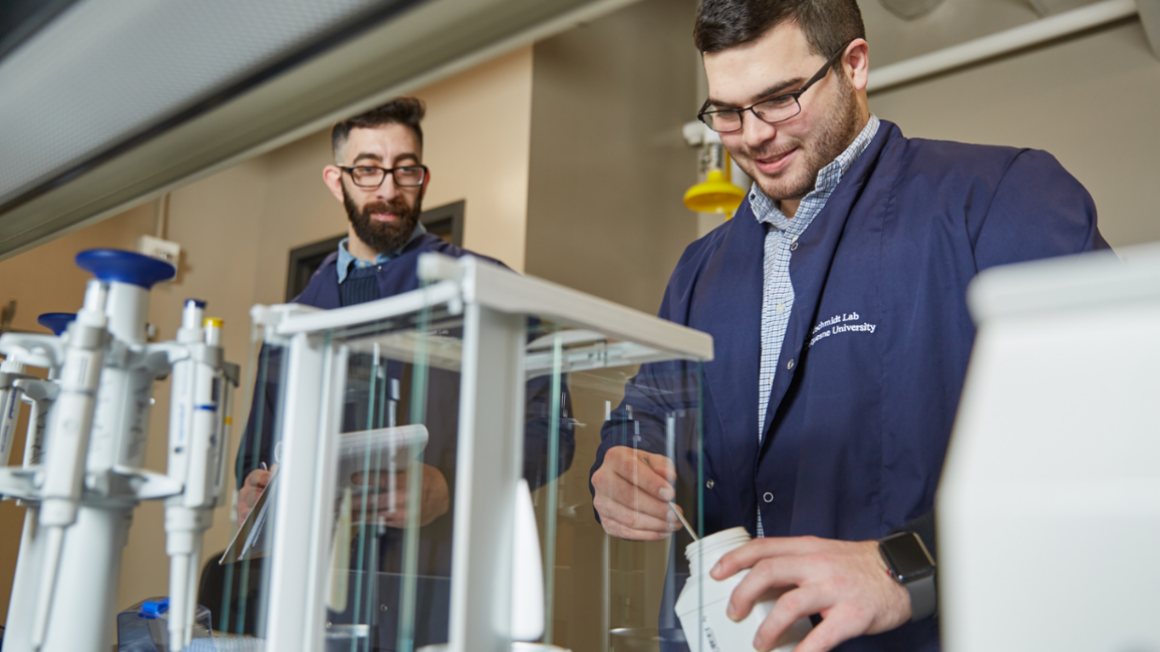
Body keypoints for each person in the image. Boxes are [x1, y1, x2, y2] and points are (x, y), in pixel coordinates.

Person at [589, 2, 1107, 651]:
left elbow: (1103, 424)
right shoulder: (699, 271)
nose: (752, 135)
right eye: (726, 110)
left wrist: (907, 562)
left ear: (854, 66)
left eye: (779, 99)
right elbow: (646, 412)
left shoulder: (999, 196)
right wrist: (620, 467)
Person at [231, 97, 574, 649]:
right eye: (367, 169)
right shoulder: (294, 320)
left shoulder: (490, 291)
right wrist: (254, 495)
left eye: (405, 169)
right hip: (319, 601)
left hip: (448, 593)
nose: (388, 189)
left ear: (423, 175)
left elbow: (552, 434)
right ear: (335, 179)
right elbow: (256, 457)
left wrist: (452, 485)